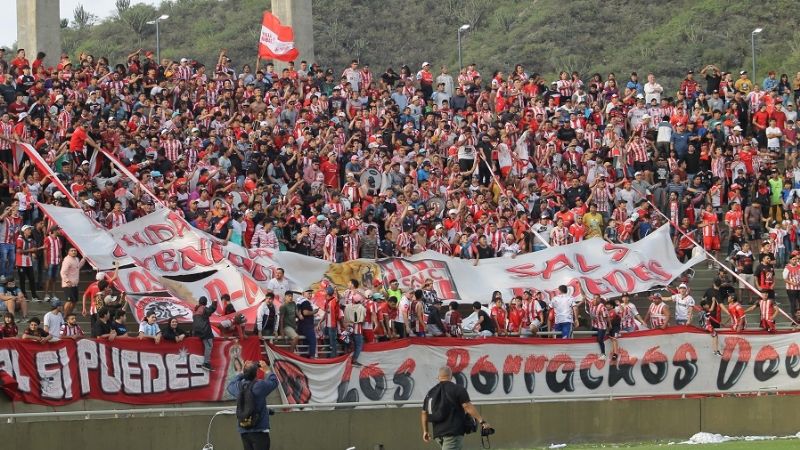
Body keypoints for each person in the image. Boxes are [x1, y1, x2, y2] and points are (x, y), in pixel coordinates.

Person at [421, 366, 491, 450]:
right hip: (453, 433)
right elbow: (467, 406)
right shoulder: (458, 389)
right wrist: (482, 421)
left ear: (438, 377)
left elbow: (424, 413)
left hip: (438, 434)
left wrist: (426, 431)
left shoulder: (431, 392)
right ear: (451, 376)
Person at [226, 360, 279, 450]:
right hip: (259, 430)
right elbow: (274, 382)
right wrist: (267, 370)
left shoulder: (238, 387)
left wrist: (242, 373)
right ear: (256, 373)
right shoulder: (260, 386)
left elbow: (230, 385)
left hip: (244, 430)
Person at [193, 296, 217, 370]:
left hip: (197, 331)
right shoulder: (203, 308)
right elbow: (211, 310)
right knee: (209, 346)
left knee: (206, 345)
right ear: (205, 302)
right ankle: (206, 363)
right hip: (205, 331)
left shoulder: (196, 310)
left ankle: (205, 363)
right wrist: (214, 302)